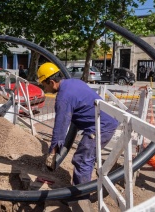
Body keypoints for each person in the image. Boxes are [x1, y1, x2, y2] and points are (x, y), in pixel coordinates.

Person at [37, 62, 118, 199]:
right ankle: (81, 190)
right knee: (86, 158)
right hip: (104, 121)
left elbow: (60, 127)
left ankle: (81, 198)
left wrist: (53, 152)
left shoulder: (63, 98)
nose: (43, 88)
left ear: (51, 82)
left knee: (82, 159)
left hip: (100, 126)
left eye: (43, 85)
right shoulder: (73, 82)